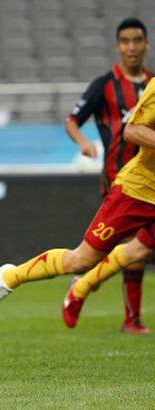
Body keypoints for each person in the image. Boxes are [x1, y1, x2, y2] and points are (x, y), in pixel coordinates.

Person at [0, 73, 155, 326]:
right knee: (81, 260)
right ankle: (12, 277)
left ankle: (87, 291)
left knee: (140, 250)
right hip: (139, 190)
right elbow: (133, 130)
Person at [62, 17, 152, 334]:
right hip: (119, 179)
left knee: (138, 250)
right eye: (125, 41)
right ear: (118, 46)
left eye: (137, 40)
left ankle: (86, 285)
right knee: (130, 250)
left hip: (150, 179)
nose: (131, 47)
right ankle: (130, 318)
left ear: (146, 44)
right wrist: (85, 143)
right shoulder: (105, 85)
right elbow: (73, 120)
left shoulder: (153, 83)